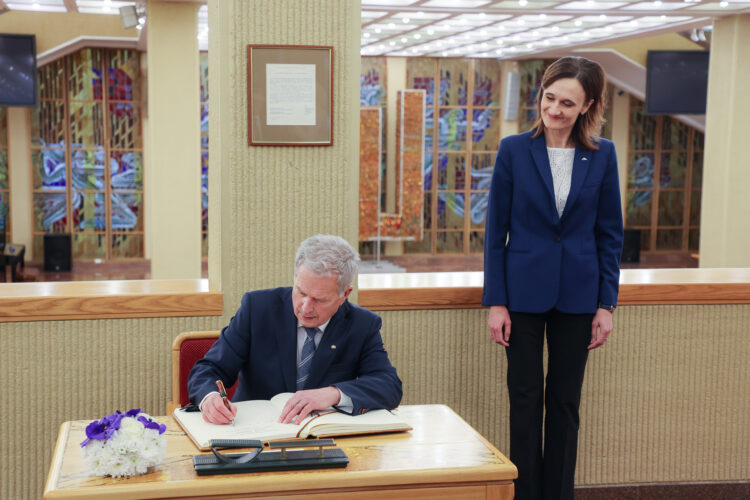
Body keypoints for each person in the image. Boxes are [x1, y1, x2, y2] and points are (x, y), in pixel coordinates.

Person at [482, 56, 624, 500]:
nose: (555, 109)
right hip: (521, 294)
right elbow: (494, 232)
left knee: (565, 404)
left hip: (579, 297)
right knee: (524, 401)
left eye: (568, 102)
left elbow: (610, 234)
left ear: (588, 105)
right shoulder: (513, 149)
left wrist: (606, 304)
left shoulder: (604, 155)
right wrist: (496, 301)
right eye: (549, 98)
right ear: (539, 96)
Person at [188, 234, 403, 425]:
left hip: (325, 443)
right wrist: (210, 398)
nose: (306, 307)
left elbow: (388, 386)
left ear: (345, 294)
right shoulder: (258, 308)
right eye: (300, 292)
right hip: (253, 437)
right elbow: (208, 369)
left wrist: (333, 394)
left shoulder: (361, 325)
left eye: (319, 299)